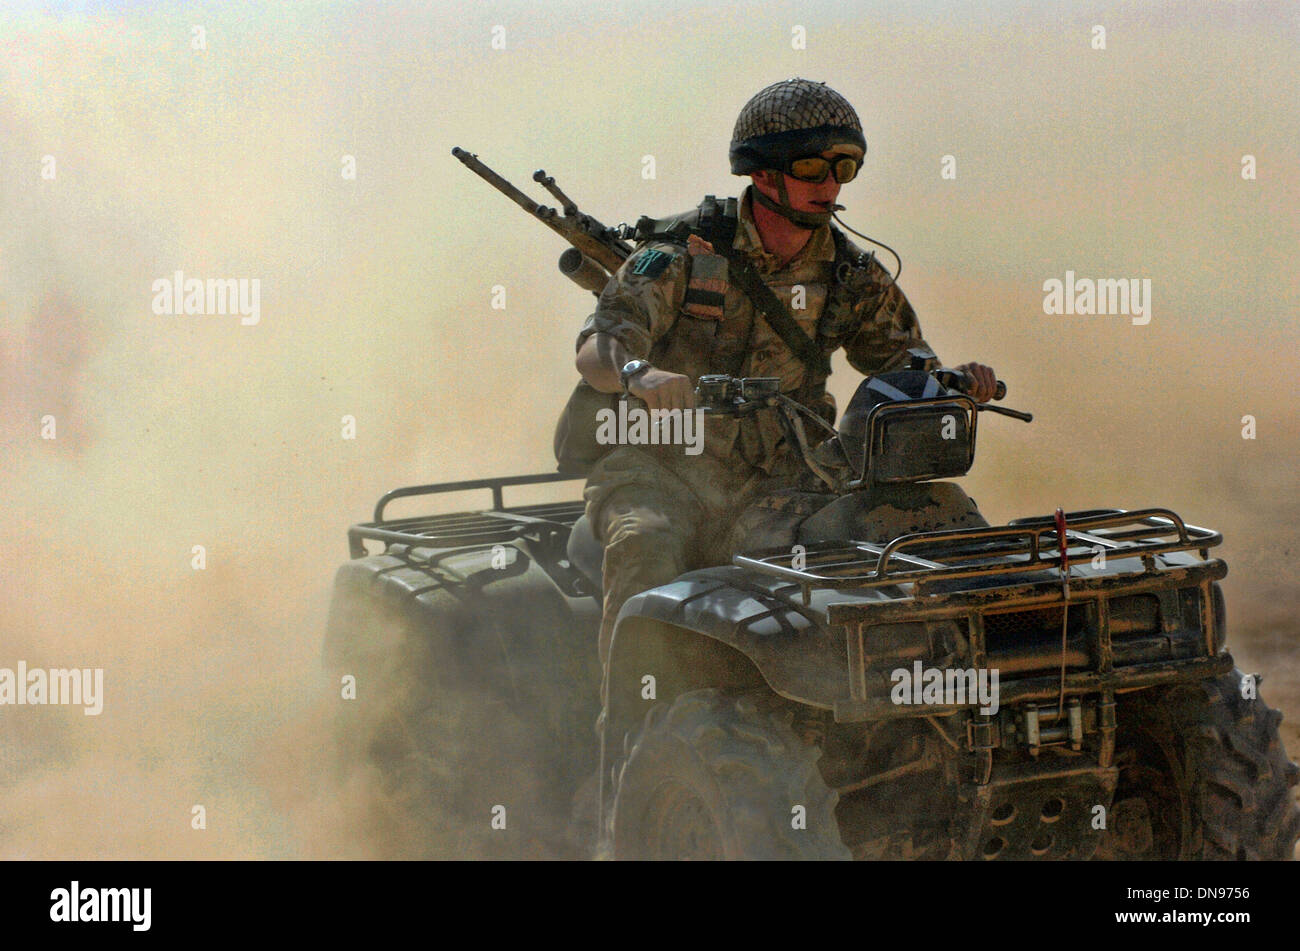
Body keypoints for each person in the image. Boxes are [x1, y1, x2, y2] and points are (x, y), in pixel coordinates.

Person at [574, 78, 996, 665]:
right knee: (644, 545)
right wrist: (639, 374)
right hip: (660, 473)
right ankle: (627, 732)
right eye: (811, 168)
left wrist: (954, 382)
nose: (830, 185)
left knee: (903, 530)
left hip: (785, 483)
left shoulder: (852, 275)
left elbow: (904, 367)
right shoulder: (683, 254)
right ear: (763, 174)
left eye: (844, 168)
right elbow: (599, 346)